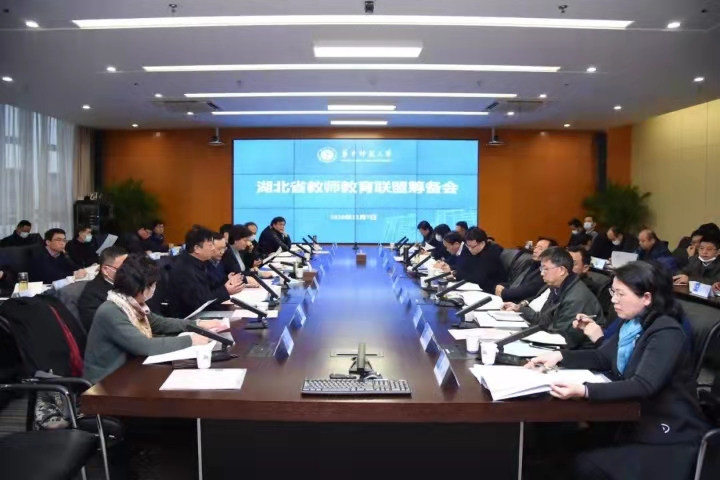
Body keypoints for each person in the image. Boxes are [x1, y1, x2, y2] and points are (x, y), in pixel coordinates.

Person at [526, 261, 709, 480]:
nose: (613, 300)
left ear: (647, 298)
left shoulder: (667, 332)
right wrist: (560, 356)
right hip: (630, 420)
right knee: (556, 444)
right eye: (613, 292)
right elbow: (602, 357)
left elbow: (643, 385)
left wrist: (585, 390)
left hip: (665, 433)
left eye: (621, 294)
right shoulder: (633, 322)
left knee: (581, 462)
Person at [83, 254, 226, 384]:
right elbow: (144, 346)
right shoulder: (112, 310)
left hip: (132, 369)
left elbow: (159, 323)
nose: (154, 289)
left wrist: (198, 324)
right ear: (140, 287)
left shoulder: (132, 303)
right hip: (108, 381)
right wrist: (191, 340)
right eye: (152, 285)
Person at [503, 247, 604, 349]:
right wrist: (520, 309)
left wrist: (527, 337)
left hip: (576, 352)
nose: (542, 273)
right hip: (555, 341)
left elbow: (565, 338)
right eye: (541, 269)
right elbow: (544, 319)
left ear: (561, 270)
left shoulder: (577, 298)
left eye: (546, 269)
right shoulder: (558, 287)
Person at [166, 227, 244, 318]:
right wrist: (226, 290)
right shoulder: (184, 269)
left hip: (203, 312)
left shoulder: (201, 263)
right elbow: (198, 302)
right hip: (188, 318)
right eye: (210, 245)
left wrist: (227, 281)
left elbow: (211, 287)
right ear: (197, 249)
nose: (213, 248)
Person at [77, 246, 128, 331]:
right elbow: (105, 329)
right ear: (105, 270)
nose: (129, 271)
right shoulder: (91, 297)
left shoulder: (128, 283)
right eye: (123, 269)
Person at [495, 238, 557, 303]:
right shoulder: (529, 264)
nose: (535, 250)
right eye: (535, 247)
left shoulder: (546, 271)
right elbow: (515, 281)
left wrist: (503, 292)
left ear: (551, 253)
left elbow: (527, 291)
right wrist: (500, 286)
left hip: (519, 303)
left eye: (540, 249)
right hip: (508, 297)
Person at [452, 227, 506, 293]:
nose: (470, 249)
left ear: (482, 243)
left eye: (472, 247)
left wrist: (463, 275)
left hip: (491, 291)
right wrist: (460, 274)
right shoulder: (469, 251)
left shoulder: (491, 253)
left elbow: (480, 278)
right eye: (468, 246)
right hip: (474, 288)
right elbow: (460, 269)